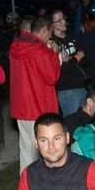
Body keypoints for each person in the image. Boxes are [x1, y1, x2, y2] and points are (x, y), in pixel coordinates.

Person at [8, 15, 61, 169]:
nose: (50, 36)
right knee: (43, 151)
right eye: (50, 32)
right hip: (38, 107)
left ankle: (26, 181)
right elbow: (52, 77)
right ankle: (39, 181)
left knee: (26, 152)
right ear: (44, 30)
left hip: (22, 107)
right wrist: (54, 54)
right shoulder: (39, 51)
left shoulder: (16, 45)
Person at [51, 8, 88, 117]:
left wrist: (72, 59)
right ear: (52, 24)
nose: (63, 21)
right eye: (59, 20)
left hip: (82, 85)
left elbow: (86, 57)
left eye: (63, 18)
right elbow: (63, 68)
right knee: (73, 123)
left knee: (83, 123)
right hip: (67, 89)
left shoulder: (72, 36)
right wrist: (77, 57)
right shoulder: (52, 43)